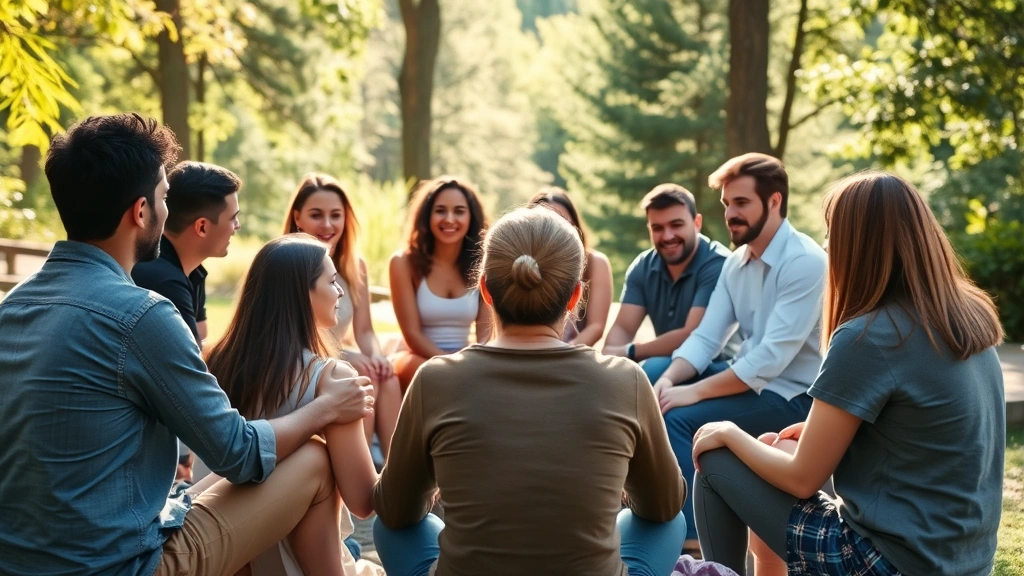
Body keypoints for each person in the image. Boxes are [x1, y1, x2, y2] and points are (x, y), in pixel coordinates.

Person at [0, 113, 372, 576]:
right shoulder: (142, 314)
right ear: (140, 213)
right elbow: (238, 454)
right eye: (163, 198)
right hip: (123, 565)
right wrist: (326, 407)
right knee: (314, 459)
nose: (166, 210)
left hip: (23, 560)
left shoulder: (13, 306)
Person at [691, 171, 1005, 576]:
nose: (825, 245)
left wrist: (729, 433)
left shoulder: (869, 337)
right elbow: (932, 426)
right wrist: (822, 426)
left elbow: (804, 480)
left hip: (886, 563)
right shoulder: (968, 313)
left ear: (859, 244)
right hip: (963, 562)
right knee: (780, 449)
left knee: (715, 458)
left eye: (831, 232)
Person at [372, 207, 687, 576]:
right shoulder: (626, 380)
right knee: (667, 523)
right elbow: (664, 505)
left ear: (485, 290)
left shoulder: (435, 379)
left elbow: (395, 511)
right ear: (575, 296)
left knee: (393, 528)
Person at [652, 154, 827, 552]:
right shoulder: (737, 262)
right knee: (653, 372)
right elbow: (705, 338)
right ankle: (648, 506)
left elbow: (769, 360)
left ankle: (691, 541)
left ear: (775, 202)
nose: (731, 213)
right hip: (752, 384)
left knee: (680, 417)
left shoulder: (805, 262)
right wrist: (669, 379)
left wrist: (692, 392)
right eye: (727, 204)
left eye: (741, 203)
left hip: (794, 399)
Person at [204, 234, 384, 576]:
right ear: (303, 294)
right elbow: (364, 501)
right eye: (332, 282)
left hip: (225, 555)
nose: (341, 292)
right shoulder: (329, 379)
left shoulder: (213, 361)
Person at [285, 173, 401, 457]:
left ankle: (395, 470)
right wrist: (352, 358)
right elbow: (294, 338)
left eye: (335, 215)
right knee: (360, 374)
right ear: (298, 217)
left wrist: (376, 355)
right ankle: (358, 466)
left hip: (338, 357)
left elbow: (365, 331)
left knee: (387, 376)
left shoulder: (354, 265)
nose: (327, 224)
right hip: (297, 361)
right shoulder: (286, 262)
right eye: (317, 215)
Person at [602, 184, 734, 382]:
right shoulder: (643, 267)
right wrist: (611, 359)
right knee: (611, 375)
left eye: (676, 225)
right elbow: (622, 330)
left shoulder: (718, 264)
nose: (667, 236)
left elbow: (692, 335)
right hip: (668, 364)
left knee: (650, 370)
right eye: (657, 228)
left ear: (697, 222)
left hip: (719, 366)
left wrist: (631, 351)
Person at [389, 176, 492, 391]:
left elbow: (485, 335)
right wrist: (450, 362)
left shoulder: (484, 264)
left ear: (471, 218)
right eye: (440, 210)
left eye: (459, 211)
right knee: (434, 374)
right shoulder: (403, 263)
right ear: (427, 217)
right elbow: (412, 336)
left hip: (465, 359)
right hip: (418, 359)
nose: (449, 218)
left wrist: (468, 362)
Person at [132, 160, 241, 348]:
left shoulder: (192, 270)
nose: (237, 225)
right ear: (202, 227)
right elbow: (192, 367)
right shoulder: (165, 281)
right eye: (233, 218)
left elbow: (200, 343)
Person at [527, 186, 613, 345]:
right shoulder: (522, 264)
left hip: (572, 355)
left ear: (576, 227)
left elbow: (596, 327)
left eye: (562, 224)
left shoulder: (595, 263)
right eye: (546, 224)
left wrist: (561, 356)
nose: (553, 232)